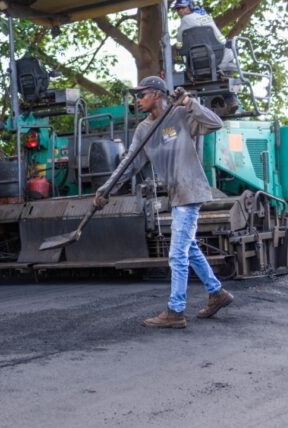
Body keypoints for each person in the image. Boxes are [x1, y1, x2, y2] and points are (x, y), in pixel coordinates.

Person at [94, 76, 233, 329]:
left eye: (142, 94)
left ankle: (176, 310)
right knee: (188, 248)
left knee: (176, 253)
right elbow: (128, 164)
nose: (138, 100)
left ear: (157, 94)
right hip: (177, 194)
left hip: (190, 192)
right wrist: (106, 189)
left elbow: (216, 123)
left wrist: (189, 101)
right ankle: (217, 293)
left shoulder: (179, 115)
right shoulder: (144, 130)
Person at [173, 0, 238, 114]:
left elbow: (179, 45)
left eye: (183, 8)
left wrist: (179, 51)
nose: (180, 11)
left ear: (190, 7)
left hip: (195, 64)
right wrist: (228, 45)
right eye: (178, 9)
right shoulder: (207, 18)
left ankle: (193, 103)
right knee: (229, 63)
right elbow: (220, 38)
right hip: (216, 60)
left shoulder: (184, 22)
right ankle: (231, 99)